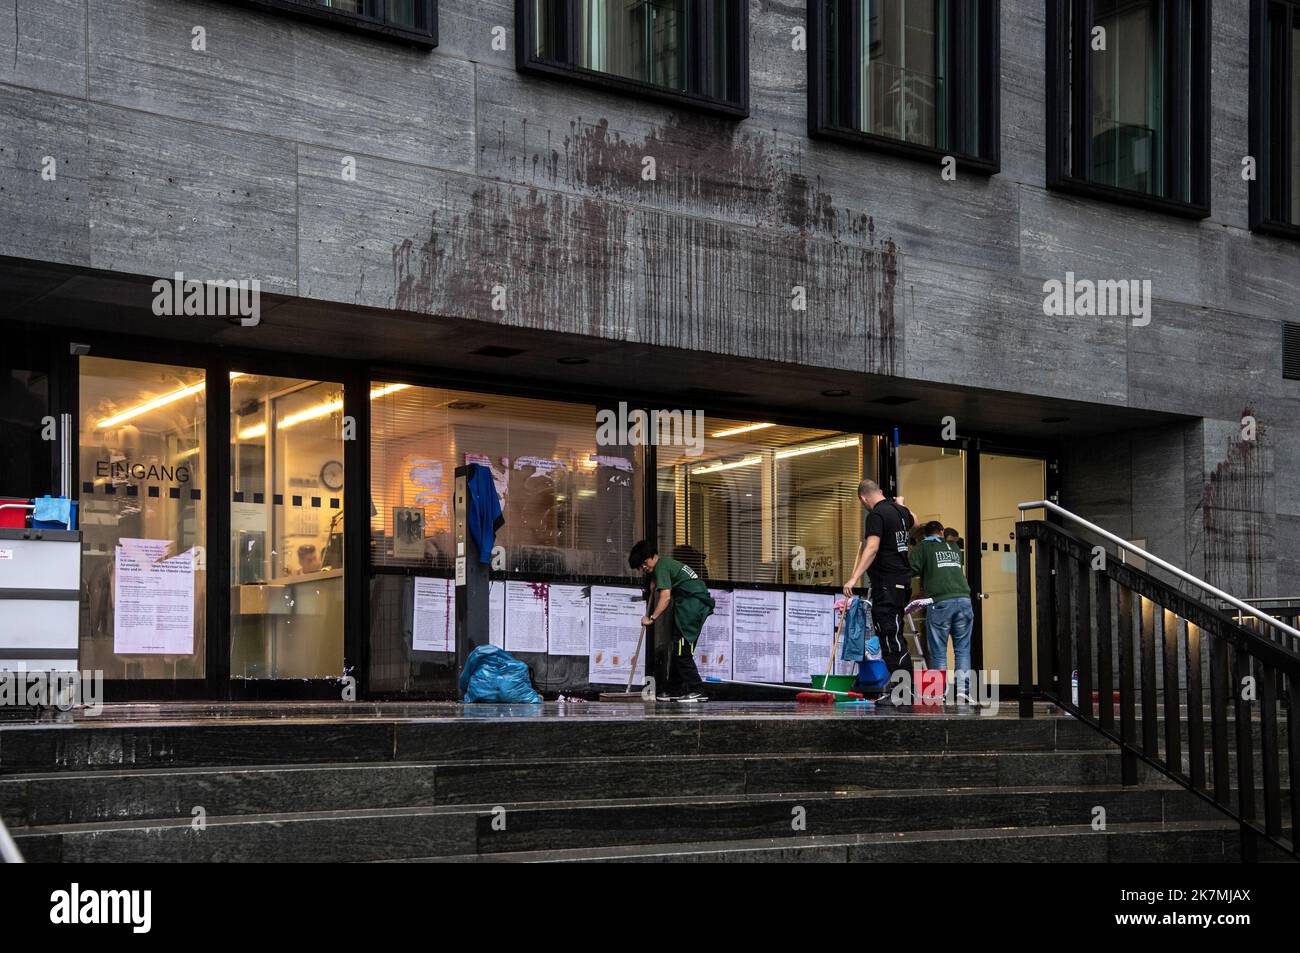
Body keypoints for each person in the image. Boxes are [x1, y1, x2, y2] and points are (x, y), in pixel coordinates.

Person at [842, 479, 915, 703]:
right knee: (894, 634)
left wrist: (854, 577)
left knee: (890, 636)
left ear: (863, 498)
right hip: (901, 583)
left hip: (887, 583)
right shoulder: (901, 512)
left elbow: (872, 547)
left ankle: (903, 691)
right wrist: (902, 504)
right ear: (881, 492)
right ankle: (902, 689)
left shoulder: (875, 515)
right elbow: (916, 520)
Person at [629, 540, 715, 703]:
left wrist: (651, 618)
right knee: (678, 649)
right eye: (640, 568)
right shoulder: (665, 565)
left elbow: (666, 597)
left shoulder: (661, 566)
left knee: (682, 652)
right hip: (692, 606)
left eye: (643, 564)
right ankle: (674, 690)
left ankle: (698, 689)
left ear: (651, 557)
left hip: (690, 607)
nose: (643, 569)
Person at [911, 520, 975, 703]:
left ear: (925, 535)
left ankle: (939, 693)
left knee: (938, 651)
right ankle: (963, 692)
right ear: (941, 531)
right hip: (964, 600)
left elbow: (913, 568)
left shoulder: (923, 547)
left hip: (941, 602)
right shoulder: (953, 547)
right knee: (962, 649)